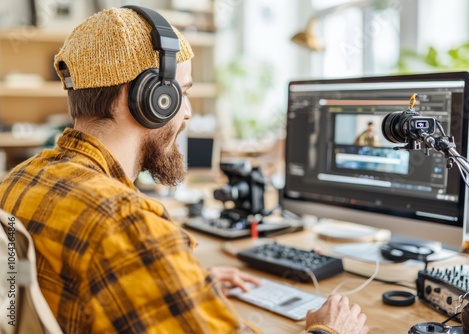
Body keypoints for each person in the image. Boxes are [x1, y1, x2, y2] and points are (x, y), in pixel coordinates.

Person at [0, 7, 368, 334]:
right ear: (152, 99)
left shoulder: (18, 180)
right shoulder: (128, 223)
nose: (188, 111)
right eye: (183, 92)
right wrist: (327, 331)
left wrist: (181, 285)